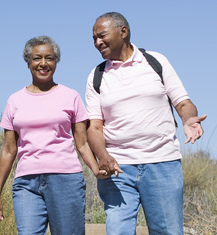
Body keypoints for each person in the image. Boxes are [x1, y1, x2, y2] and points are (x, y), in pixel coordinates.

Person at [85, 12, 207, 235]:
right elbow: (94, 127)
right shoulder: (97, 75)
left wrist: (189, 119)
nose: (97, 42)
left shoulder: (156, 61)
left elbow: (183, 103)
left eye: (101, 36)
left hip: (162, 164)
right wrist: (103, 156)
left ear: (123, 32)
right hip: (118, 169)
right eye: (93, 38)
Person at [0, 35, 103, 235]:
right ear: (28, 63)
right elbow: (8, 150)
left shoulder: (71, 97)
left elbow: (82, 143)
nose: (43, 63)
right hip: (26, 184)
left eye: (49, 58)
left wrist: (96, 169)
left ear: (56, 62)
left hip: (65, 180)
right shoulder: (14, 100)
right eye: (37, 58)